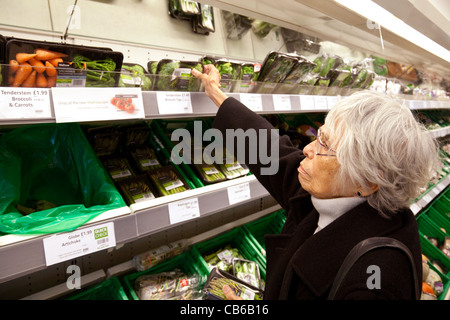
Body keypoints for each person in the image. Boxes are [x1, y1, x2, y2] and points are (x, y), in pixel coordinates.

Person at [191, 65, 440, 300]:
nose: (308, 148)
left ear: (369, 180)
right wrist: (216, 93)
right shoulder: (338, 195)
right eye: (320, 135)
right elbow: (273, 151)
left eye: (326, 145)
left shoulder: (376, 280)